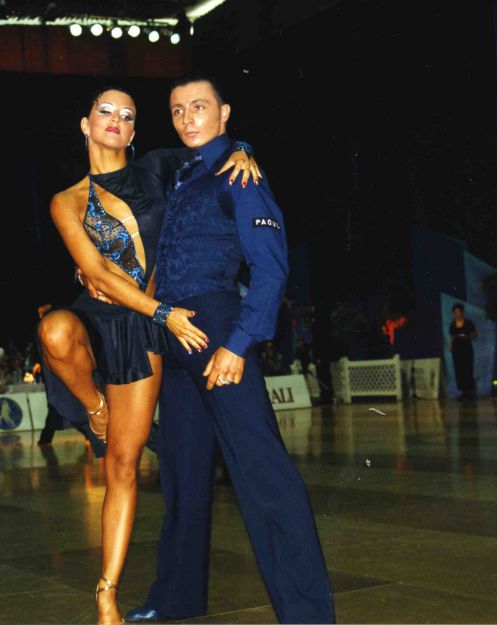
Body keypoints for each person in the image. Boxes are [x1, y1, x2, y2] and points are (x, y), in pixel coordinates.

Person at [83, 75, 333, 624]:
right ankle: (176, 600)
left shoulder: (240, 175)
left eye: (199, 107)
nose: (187, 118)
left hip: (218, 327)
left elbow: (271, 268)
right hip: (173, 336)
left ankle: (308, 616)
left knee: (263, 474)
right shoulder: (180, 174)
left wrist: (238, 344)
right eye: (177, 110)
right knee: (183, 475)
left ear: (224, 113)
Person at [39, 86, 258, 625]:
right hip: (108, 317)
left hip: (142, 333)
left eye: (127, 115)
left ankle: (107, 593)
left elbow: (211, 146)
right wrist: (163, 312)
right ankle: (95, 408)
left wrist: (244, 149)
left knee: (122, 463)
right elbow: (95, 272)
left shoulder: (159, 167)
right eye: (105, 111)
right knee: (54, 331)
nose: (115, 119)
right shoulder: (67, 200)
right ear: (86, 124)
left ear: (134, 132)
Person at [448, 302, 477, 401]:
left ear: (462, 312)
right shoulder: (453, 324)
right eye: (455, 312)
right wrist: (450, 346)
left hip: (466, 348)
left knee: (467, 370)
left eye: (458, 312)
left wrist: (466, 337)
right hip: (457, 348)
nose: (457, 314)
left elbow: (474, 334)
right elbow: (452, 336)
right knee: (459, 370)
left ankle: (470, 393)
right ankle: (463, 393)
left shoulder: (468, 323)